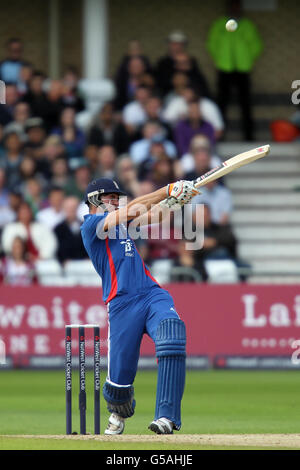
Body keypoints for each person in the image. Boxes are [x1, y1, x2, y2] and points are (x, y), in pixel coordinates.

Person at [80, 177, 199, 435]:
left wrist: (176, 202)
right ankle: (118, 412)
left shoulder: (123, 224)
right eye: (109, 197)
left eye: (116, 197)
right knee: (118, 391)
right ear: (93, 200)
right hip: (121, 303)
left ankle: (166, 417)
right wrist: (166, 189)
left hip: (151, 293)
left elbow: (155, 216)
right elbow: (133, 208)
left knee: (172, 335)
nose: (114, 201)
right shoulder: (91, 226)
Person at [206, 0, 263, 140]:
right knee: (222, 103)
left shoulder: (247, 25)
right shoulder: (219, 24)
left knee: (246, 103)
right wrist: (219, 59)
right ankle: (220, 136)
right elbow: (212, 43)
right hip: (224, 67)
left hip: (243, 68)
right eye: (232, 6)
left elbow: (257, 45)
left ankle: (249, 136)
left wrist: (248, 59)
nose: (235, 9)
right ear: (228, 8)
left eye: (237, 6)